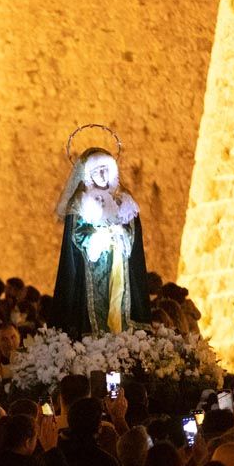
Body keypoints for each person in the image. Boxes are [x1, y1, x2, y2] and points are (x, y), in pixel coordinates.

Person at [49, 144, 150, 337]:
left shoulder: (124, 202)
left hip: (119, 265)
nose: (102, 175)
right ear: (88, 174)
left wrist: (121, 232)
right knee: (95, 312)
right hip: (91, 268)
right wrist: (99, 237)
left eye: (106, 170)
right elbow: (76, 236)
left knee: (118, 302)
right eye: (97, 171)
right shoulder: (81, 202)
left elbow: (133, 235)